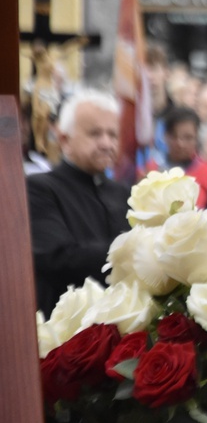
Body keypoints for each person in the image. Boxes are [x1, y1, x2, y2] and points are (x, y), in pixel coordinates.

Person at [27, 89, 130, 317]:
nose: (106, 143)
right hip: (67, 328)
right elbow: (56, 258)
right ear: (64, 139)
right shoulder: (39, 188)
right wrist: (132, 252)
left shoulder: (124, 192)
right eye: (95, 134)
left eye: (112, 134)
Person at [143, 107, 207, 208]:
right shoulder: (150, 171)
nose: (180, 144)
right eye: (174, 136)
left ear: (197, 138)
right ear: (165, 136)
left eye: (188, 137)